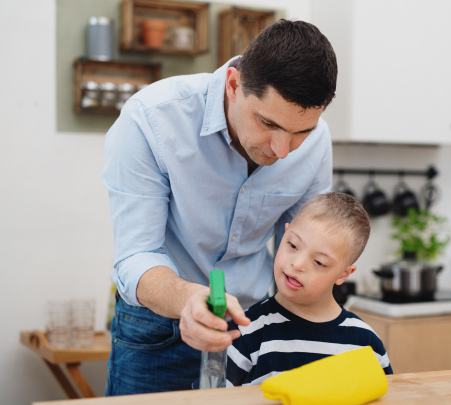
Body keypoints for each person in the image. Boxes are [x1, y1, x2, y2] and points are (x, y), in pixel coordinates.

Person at [102, 19, 337, 395]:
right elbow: (136, 255)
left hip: (256, 327)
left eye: (301, 133)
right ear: (233, 85)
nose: (282, 150)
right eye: (268, 123)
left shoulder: (317, 141)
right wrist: (189, 301)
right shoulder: (151, 119)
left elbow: (306, 248)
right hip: (159, 326)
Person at [223, 192, 393, 387]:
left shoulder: (367, 345)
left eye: (319, 262)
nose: (297, 264)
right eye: (293, 245)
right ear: (284, 234)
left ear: (343, 275)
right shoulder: (245, 332)